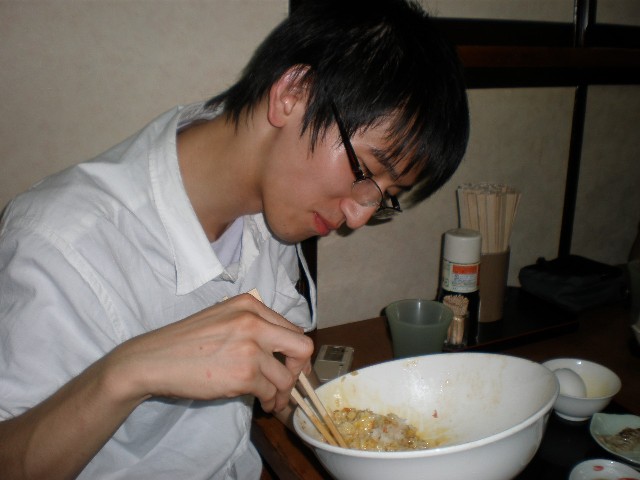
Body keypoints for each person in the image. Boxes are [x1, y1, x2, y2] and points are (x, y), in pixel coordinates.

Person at [0, 0, 469, 478]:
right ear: (294, 93)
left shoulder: (278, 205)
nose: (358, 215)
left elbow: (284, 380)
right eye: (365, 171)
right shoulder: (60, 241)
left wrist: (375, 444)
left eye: (384, 198)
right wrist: (128, 372)